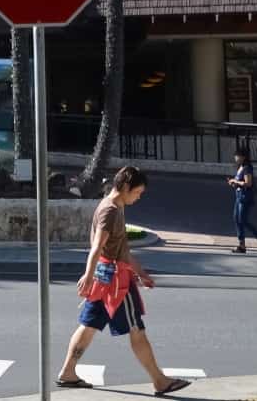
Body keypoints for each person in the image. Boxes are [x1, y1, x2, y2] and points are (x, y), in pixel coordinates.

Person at [56, 167, 193, 396]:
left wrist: (139, 272)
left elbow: (120, 249)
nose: (139, 197)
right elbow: (98, 246)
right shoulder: (110, 211)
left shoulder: (112, 206)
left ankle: (67, 372)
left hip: (104, 276)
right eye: (138, 192)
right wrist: (87, 275)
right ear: (126, 187)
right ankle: (160, 381)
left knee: (89, 325)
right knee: (136, 329)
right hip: (115, 282)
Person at [228, 152, 257, 253]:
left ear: (243, 157)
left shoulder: (247, 168)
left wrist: (236, 182)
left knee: (243, 220)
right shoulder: (240, 167)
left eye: (237, 156)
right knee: (237, 219)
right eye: (235, 156)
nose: (235, 158)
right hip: (239, 196)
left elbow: (248, 183)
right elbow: (240, 182)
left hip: (246, 197)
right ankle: (241, 245)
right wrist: (234, 183)